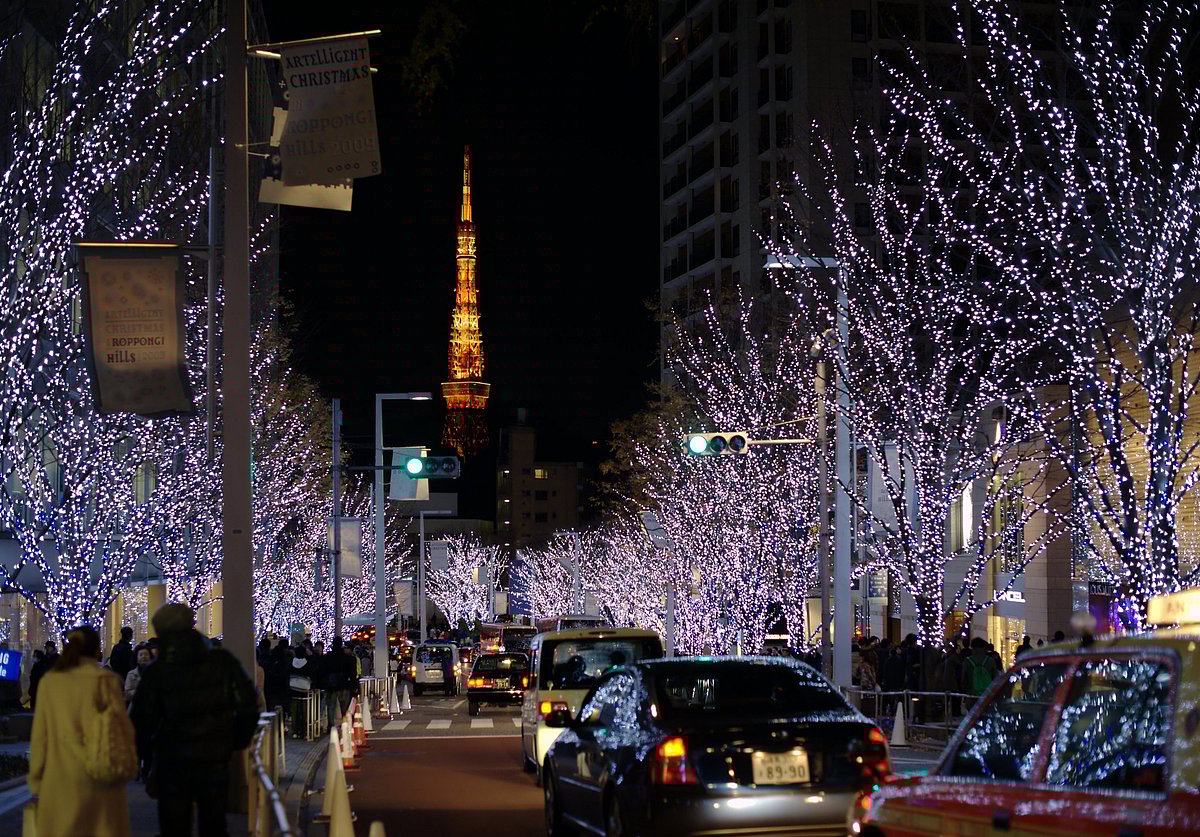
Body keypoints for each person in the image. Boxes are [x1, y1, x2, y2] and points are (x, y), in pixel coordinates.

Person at [130, 603, 258, 837]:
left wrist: (148, 755)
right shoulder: (222, 661)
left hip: (172, 760)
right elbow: (249, 703)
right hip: (215, 756)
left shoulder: (157, 673)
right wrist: (234, 741)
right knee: (214, 823)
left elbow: (141, 721)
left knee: (174, 826)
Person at [29, 625, 133, 837]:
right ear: (96, 651)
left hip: (60, 779)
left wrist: (36, 779)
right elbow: (123, 730)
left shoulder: (51, 682)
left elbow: (40, 736)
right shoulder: (107, 681)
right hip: (101, 775)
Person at [319, 638, 356, 729]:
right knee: (344, 706)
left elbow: (322, 671)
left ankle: (331, 725)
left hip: (330, 685)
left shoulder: (327, 657)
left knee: (331, 706)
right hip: (344, 684)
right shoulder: (348, 658)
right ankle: (346, 723)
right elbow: (352, 673)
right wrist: (354, 685)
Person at [963, 637, 999, 702]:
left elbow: (963, 680)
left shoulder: (967, 661)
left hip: (972, 695)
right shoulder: (990, 661)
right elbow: (995, 678)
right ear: (984, 648)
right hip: (987, 695)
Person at [29, 641, 58, 710]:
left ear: (53, 648)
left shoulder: (57, 659)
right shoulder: (44, 659)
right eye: (46, 647)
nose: (47, 649)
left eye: (49, 647)